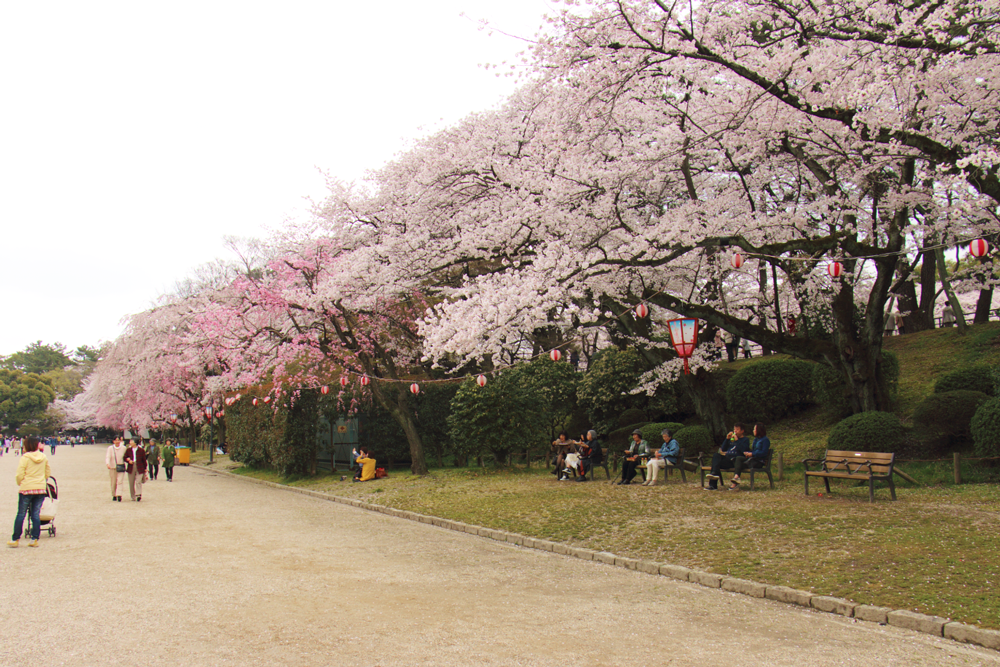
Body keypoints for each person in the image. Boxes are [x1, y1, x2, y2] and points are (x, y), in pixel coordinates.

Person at [8, 436, 51, 548]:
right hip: (40, 488)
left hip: (27, 488)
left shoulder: (25, 458)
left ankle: (15, 539)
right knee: (35, 514)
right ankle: (34, 538)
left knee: (21, 514)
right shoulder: (43, 457)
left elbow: (19, 474)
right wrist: (42, 480)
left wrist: (20, 482)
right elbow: (47, 472)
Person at [705, 423, 750, 490]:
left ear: (742, 431)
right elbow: (723, 449)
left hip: (734, 461)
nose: (735, 431)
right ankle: (713, 483)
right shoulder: (731, 439)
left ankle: (713, 481)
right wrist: (727, 439)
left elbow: (744, 450)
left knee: (716, 464)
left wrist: (737, 440)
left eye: (737, 429)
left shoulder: (745, 440)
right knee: (716, 456)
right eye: (734, 429)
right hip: (727, 459)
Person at [728, 423, 771, 490]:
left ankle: (735, 482)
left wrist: (753, 454)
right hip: (752, 459)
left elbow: (764, 453)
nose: (753, 431)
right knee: (738, 458)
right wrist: (748, 453)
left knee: (738, 463)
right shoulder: (756, 440)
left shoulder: (765, 440)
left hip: (758, 461)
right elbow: (753, 451)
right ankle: (736, 478)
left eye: (754, 429)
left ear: (759, 430)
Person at [106, 437, 127, 501]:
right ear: (113, 441)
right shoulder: (110, 448)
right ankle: (114, 494)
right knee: (113, 482)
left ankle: (119, 495)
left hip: (121, 466)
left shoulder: (123, 448)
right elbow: (108, 456)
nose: (117, 441)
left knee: (120, 481)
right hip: (113, 467)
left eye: (118, 440)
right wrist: (108, 463)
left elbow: (126, 456)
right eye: (116, 440)